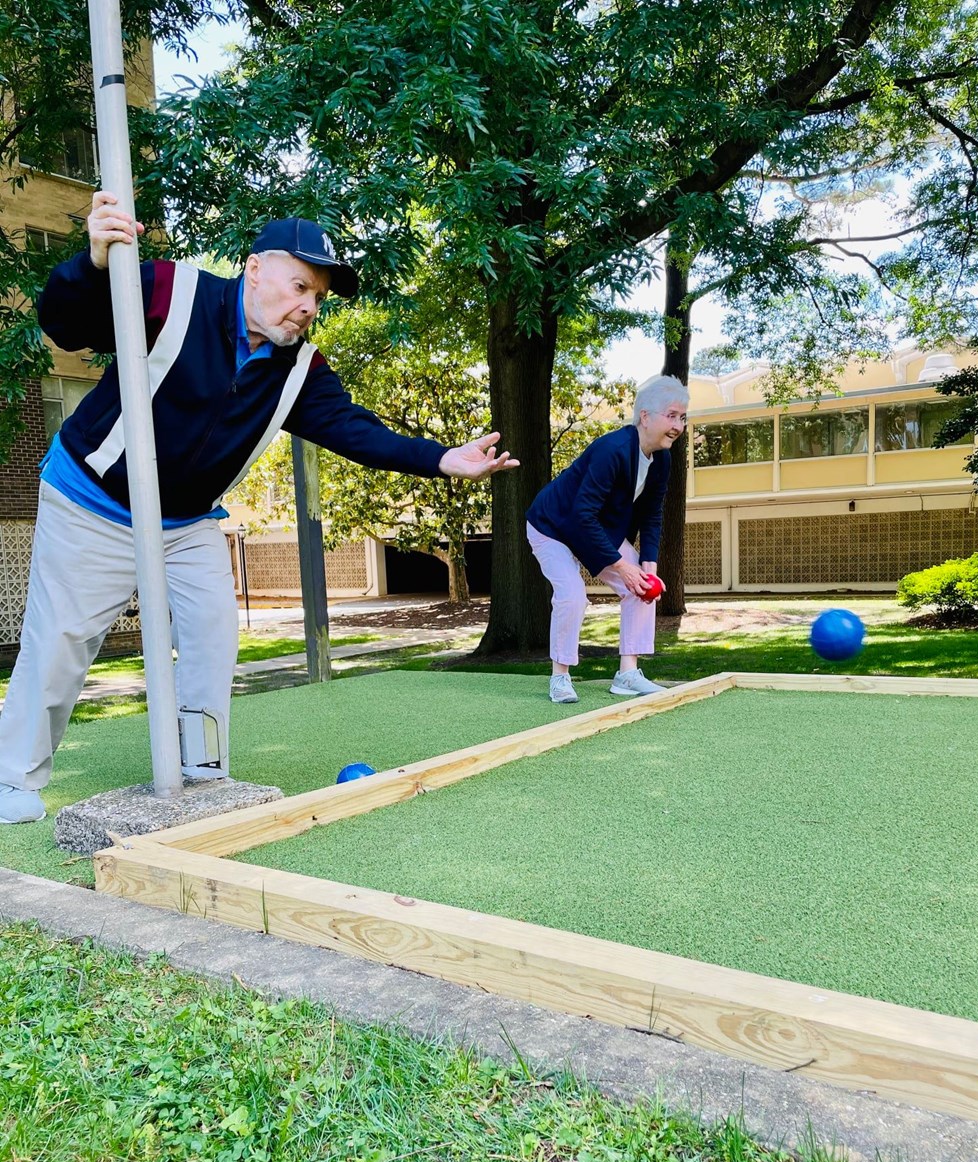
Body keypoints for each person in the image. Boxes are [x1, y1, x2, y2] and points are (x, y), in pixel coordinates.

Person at [0, 193, 517, 823]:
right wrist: (91, 262)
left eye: (319, 298)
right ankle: (13, 779)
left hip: (187, 522)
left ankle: (203, 769)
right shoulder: (172, 291)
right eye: (300, 285)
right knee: (60, 642)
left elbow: (355, 430)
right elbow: (67, 324)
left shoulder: (299, 368)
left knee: (214, 634)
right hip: (91, 501)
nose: (308, 307)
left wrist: (440, 459)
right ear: (254, 270)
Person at [525, 374, 687, 703]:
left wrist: (648, 565)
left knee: (642, 586)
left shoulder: (662, 459)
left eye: (683, 418)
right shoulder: (611, 450)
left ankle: (627, 674)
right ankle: (560, 677)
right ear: (645, 416)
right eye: (671, 415)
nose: (678, 425)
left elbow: (652, 513)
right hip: (552, 525)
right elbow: (579, 516)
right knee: (572, 594)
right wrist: (621, 567)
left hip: (594, 528)